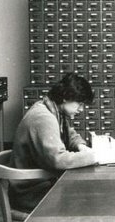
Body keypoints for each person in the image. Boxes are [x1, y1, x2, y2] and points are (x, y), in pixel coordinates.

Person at [9, 73, 98, 212]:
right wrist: (97, 156)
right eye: (79, 104)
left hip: (42, 184)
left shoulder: (52, 109)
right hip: (32, 193)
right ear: (65, 98)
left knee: (91, 194)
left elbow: (69, 134)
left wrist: (82, 146)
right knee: (91, 198)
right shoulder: (44, 117)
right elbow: (58, 160)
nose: (81, 109)